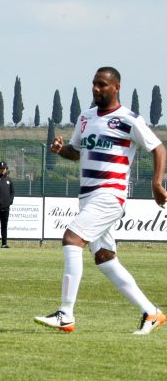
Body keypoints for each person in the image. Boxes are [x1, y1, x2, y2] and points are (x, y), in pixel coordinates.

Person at [34, 67, 167, 335]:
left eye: (102, 85)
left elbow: (158, 147)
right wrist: (62, 150)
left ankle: (65, 314)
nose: (96, 89)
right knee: (105, 258)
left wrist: (156, 182)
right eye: (94, 84)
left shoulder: (128, 119)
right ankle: (152, 313)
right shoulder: (85, 118)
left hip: (110, 194)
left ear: (116, 87)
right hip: (87, 196)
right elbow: (76, 152)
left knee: (72, 239)